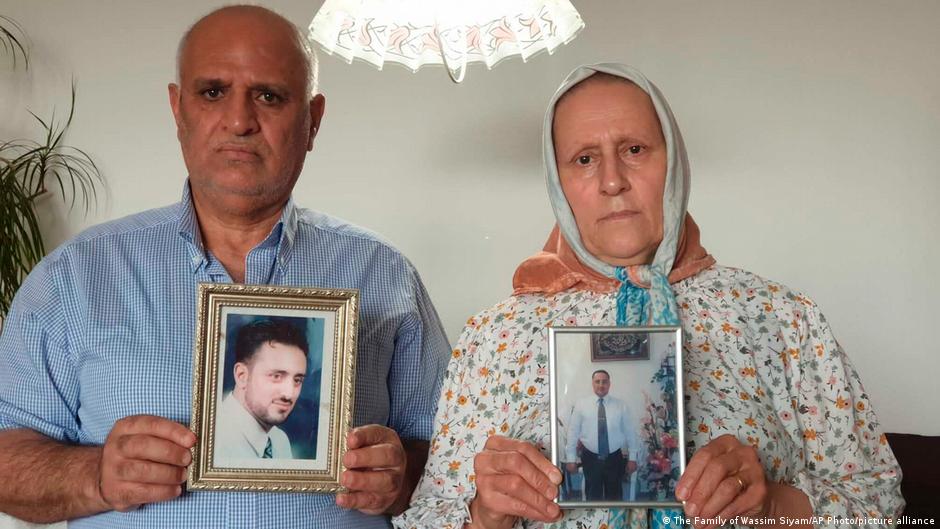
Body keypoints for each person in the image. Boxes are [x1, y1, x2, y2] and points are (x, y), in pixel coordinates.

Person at [394, 64, 903, 529]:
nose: (613, 181)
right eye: (584, 158)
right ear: (558, 182)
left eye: (635, 149)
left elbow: (883, 509)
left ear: (673, 161)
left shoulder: (780, 318)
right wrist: (485, 516)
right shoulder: (493, 338)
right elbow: (430, 512)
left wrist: (776, 505)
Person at [0, 6, 449, 528]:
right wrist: (93, 475)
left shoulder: (384, 274)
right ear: (177, 108)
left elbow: (454, 458)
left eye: (270, 96)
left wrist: (403, 477)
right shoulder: (74, 277)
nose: (239, 121)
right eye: (213, 92)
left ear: (313, 120)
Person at [215, 319, 309, 462]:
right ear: (242, 376)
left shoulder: (280, 441)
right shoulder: (213, 439)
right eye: (276, 376)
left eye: (297, 380)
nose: (289, 394)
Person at [564, 370, 639, 501]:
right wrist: (571, 458)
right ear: (592, 384)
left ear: (609, 384)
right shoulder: (581, 405)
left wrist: (633, 458)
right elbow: (573, 432)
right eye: (597, 381)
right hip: (590, 458)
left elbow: (630, 432)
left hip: (614, 458)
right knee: (593, 496)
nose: (601, 385)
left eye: (604, 381)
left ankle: (615, 520)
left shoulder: (621, 406)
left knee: (615, 496)